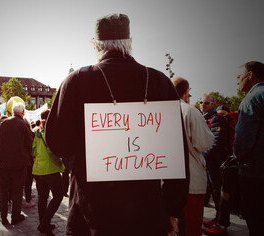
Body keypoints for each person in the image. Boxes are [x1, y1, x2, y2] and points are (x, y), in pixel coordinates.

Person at [45, 13, 189, 235]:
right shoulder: (160, 81)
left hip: (90, 213)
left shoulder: (76, 81)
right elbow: (177, 154)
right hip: (147, 213)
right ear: (129, 43)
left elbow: (57, 144)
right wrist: (172, 210)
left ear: (96, 45)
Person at [173, 77, 214, 236]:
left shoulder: (161, 111)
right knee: (190, 227)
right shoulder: (190, 111)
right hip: (191, 180)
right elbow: (204, 143)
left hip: (167, 182)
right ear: (186, 92)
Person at [0, 103, 33, 225]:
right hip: (19, 163)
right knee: (17, 190)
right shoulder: (24, 124)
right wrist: (28, 157)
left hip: (3, 162)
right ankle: (15, 216)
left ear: (13, 111)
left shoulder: (4, 122)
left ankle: (3, 217)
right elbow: (30, 144)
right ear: (23, 112)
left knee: (2, 190)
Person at [233, 61, 264, 236]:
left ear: (250, 75)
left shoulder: (252, 99)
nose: (237, 81)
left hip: (256, 174)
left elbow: (243, 141)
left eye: (239, 77)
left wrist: (238, 158)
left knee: (257, 223)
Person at [32, 109, 65, 235]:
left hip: (38, 169)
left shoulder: (37, 132)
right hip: (50, 169)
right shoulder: (51, 133)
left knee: (43, 197)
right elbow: (56, 150)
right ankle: (45, 223)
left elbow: (33, 150)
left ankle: (43, 223)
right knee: (58, 195)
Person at [202, 94, 230, 231]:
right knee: (215, 192)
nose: (203, 104)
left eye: (207, 102)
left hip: (217, 163)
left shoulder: (216, 119)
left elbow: (217, 144)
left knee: (219, 193)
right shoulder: (208, 118)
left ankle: (221, 224)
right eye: (202, 102)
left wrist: (203, 156)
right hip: (212, 163)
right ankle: (218, 219)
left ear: (213, 105)